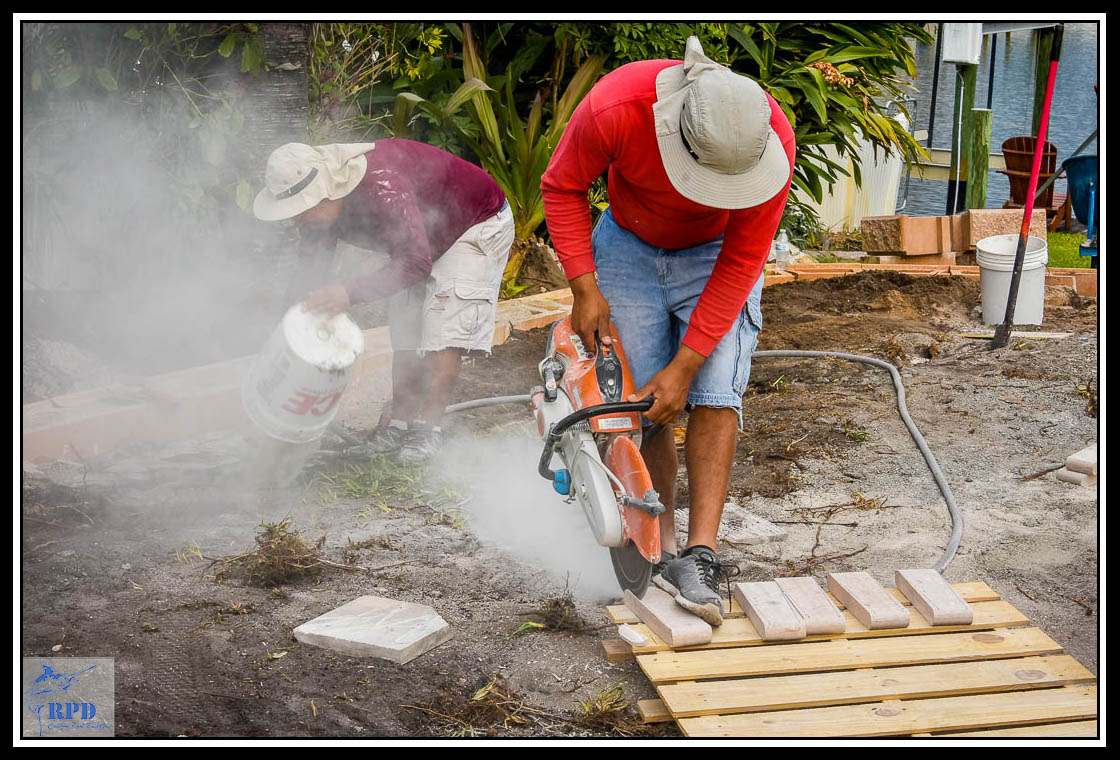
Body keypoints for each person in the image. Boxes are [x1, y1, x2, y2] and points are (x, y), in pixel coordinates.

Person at [541, 37, 795, 624]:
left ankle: (700, 557)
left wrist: (686, 366)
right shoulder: (617, 106)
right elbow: (563, 186)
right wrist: (585, 286)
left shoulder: (770, 140)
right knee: (639, 403)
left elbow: (741, 262)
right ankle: (660, 544)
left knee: (713, 395)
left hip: (715, 256)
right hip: (628, 244)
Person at [253, 139, 514, 463]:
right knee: (405, 323)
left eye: (301, 211)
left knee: (443, 327)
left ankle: (427, 429)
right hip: (419, 241)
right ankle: (399, 423)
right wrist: (284, 334)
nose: (298, 220)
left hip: (475, 223)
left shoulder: (382, 183)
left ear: (326, 192)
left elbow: (417, 262)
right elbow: (309, 269)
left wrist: (348, 293)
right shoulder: (318, 211)